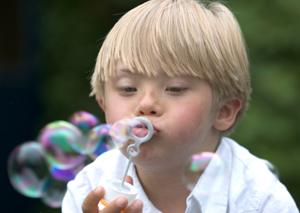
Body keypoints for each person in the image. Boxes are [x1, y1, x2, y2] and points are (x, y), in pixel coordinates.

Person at [62, 0, 299, 212]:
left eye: (174, 88)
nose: (145, 104)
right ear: (103, 105)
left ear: (223, 111)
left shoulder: (260, 199)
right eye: (127, 89)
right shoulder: (90, 189)